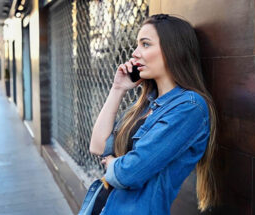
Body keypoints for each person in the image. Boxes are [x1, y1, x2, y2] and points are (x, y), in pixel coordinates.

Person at [88, 14, 218, 215]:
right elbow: (97, 146)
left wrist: (114, 164)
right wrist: (117, 89)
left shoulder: (190, 107)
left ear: (172, 50)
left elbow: (129, 173)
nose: (135, 53)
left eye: (145, 44)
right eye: (137, 45)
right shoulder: (145, 104)